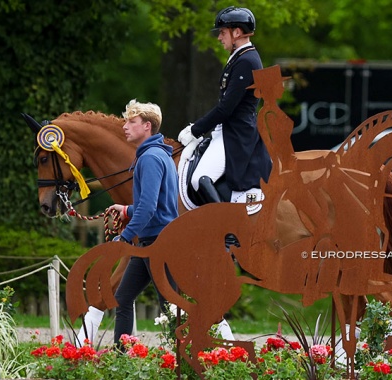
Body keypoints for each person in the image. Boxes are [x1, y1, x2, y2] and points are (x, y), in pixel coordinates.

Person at [178, 6, 272, 204]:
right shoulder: (239, 57)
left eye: (222, 32)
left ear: (236, 32)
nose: (220, 38)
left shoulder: (246, 61)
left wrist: (196, 129)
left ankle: (227, 230)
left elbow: (226, 108)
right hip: (228, 130)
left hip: (235, 133)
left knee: (199, 179)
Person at [107, 99, 179, 344]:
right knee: (124, 298)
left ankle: (185, 363)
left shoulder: (149, 158)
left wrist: (124, 238)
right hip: (151, 242)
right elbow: (155, 203)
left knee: (170, 307)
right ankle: (121, 357)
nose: (125, 126)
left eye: (131, 121)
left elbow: (148, 208)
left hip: (159, 244)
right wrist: (127, 210)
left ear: (147, 126)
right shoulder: (158, 155)